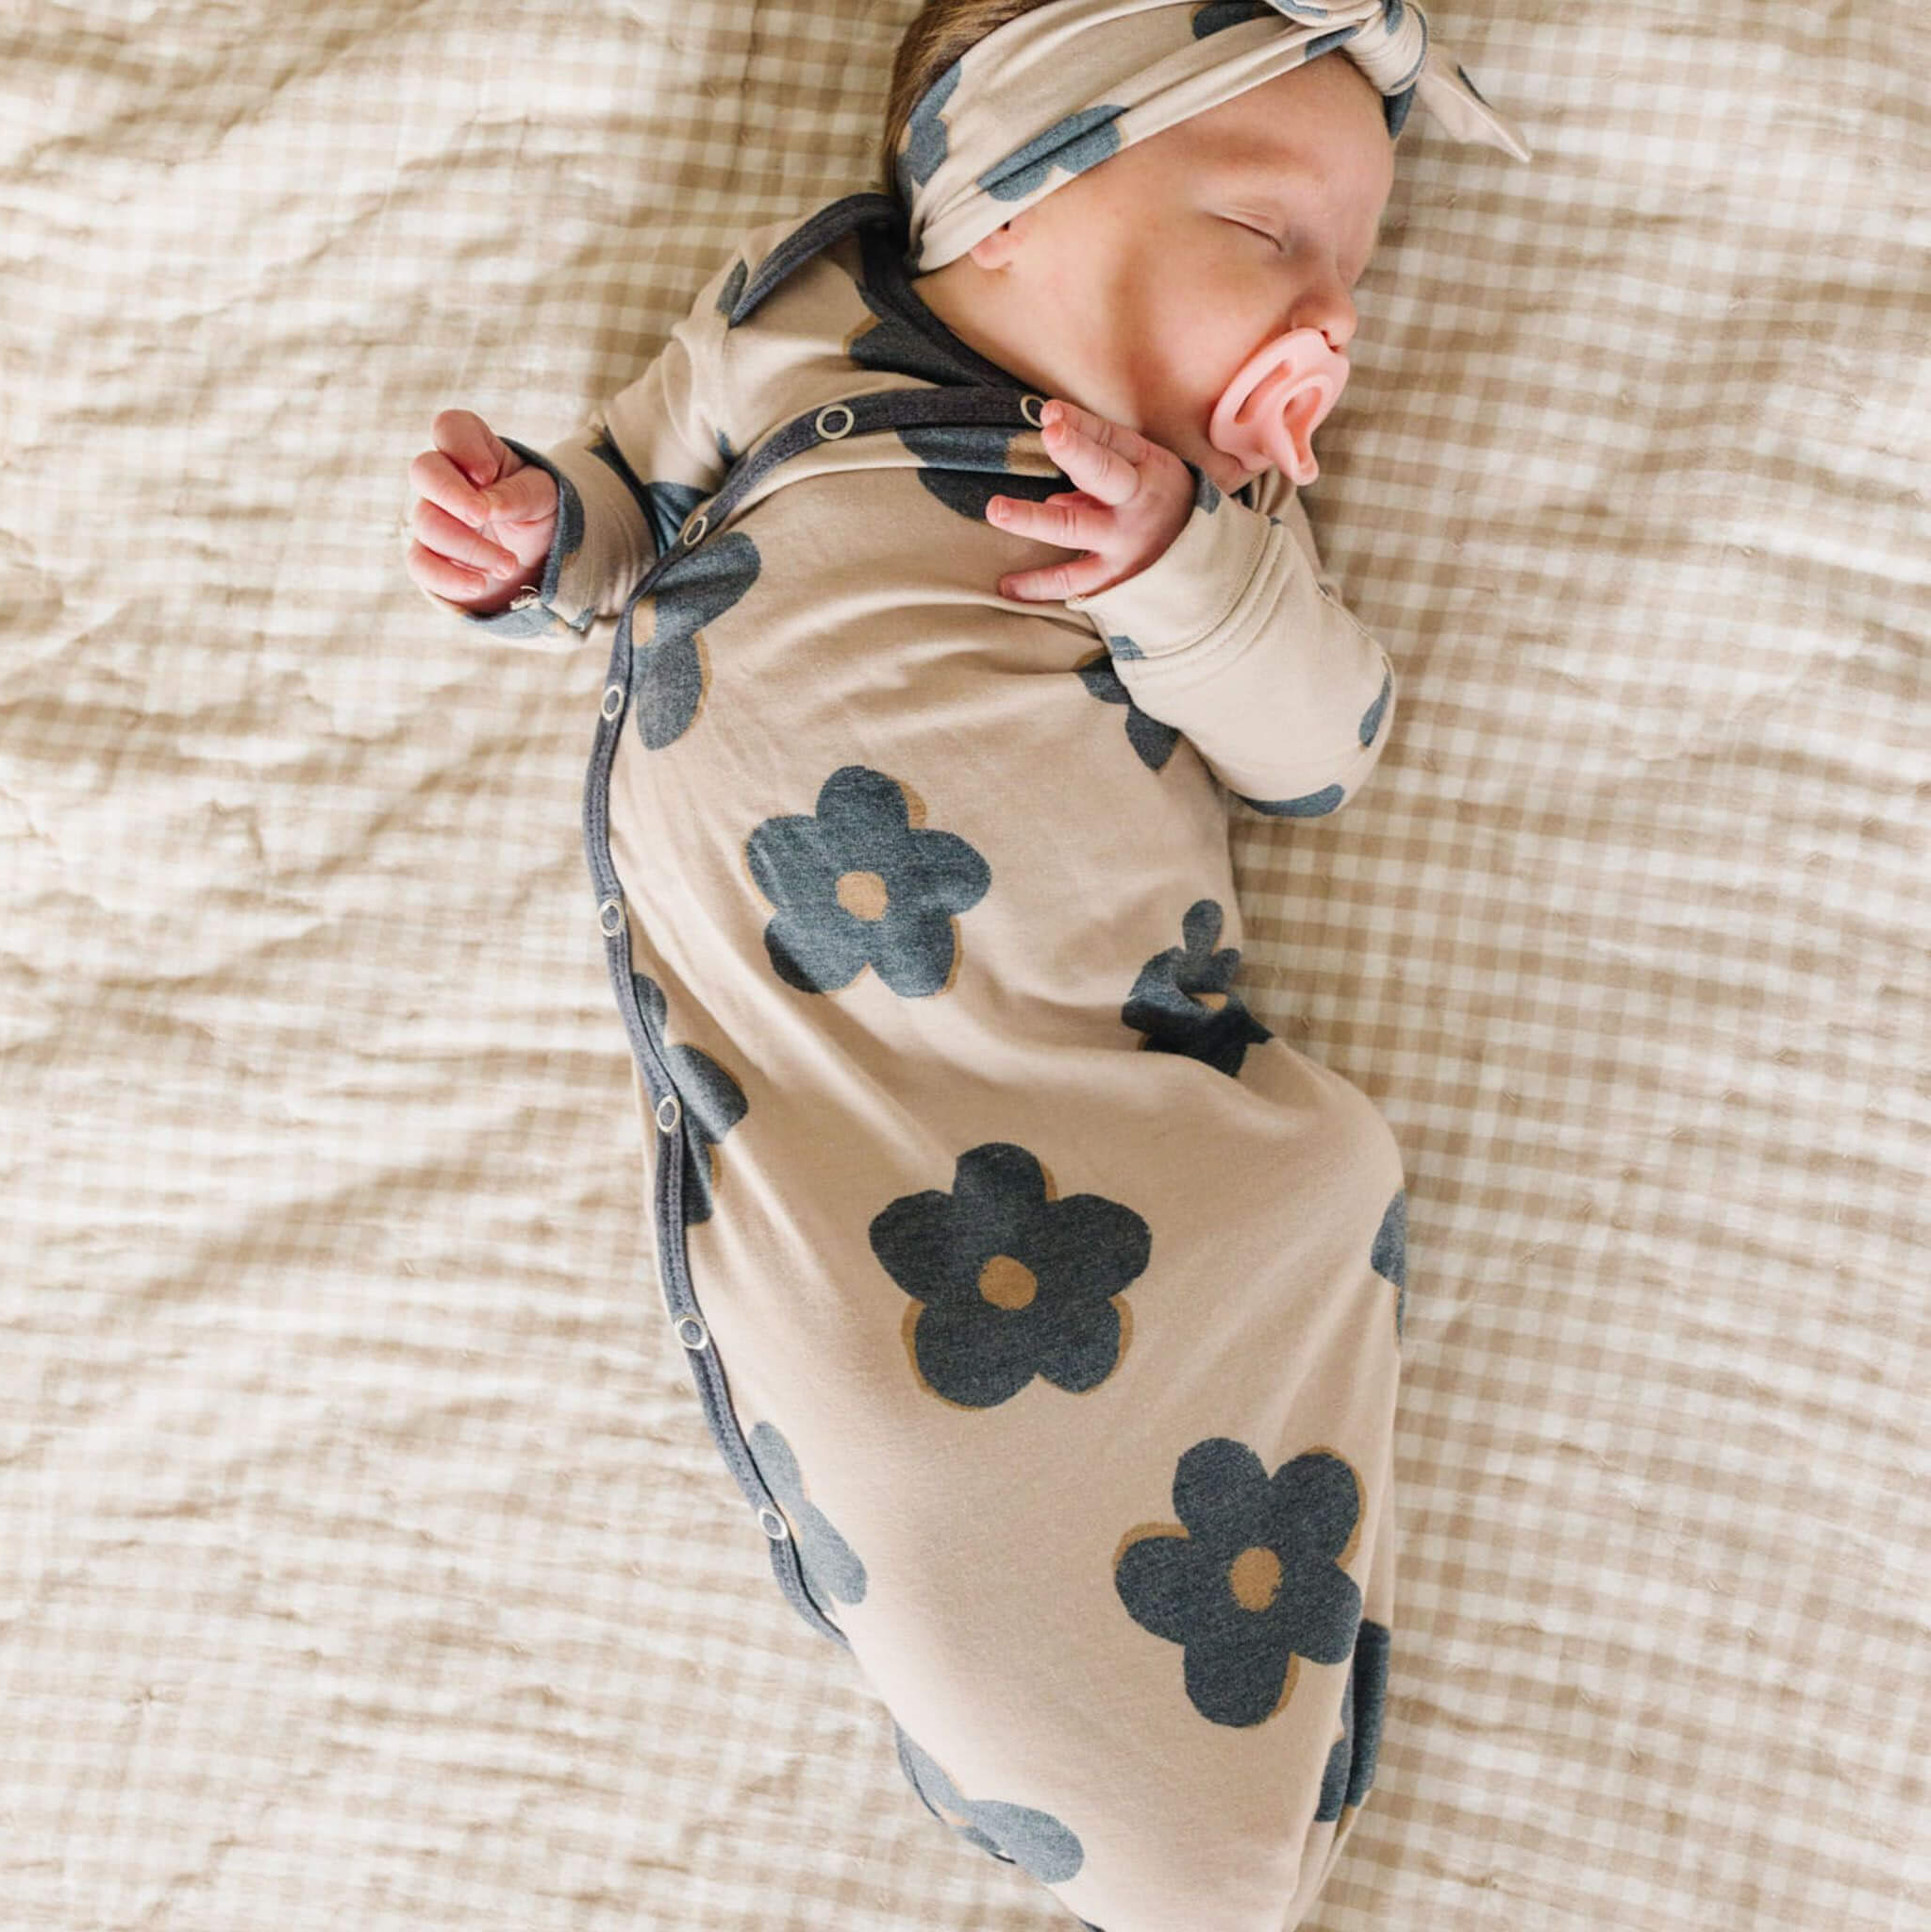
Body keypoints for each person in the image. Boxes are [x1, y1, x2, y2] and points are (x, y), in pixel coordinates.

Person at [401, 6, 1528, 1926]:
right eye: (1273, 239)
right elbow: (624, 514)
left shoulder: (1208, 520)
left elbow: (1320, 745)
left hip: (1114, 1074)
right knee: (896, 1436)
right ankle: (1173, 1825)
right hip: (834, 1093)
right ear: (1005, 197)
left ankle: (1204, 1810)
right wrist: (529, 533)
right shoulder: (786, 329)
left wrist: (1188, 570)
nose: (1329, 315)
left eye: (1352, 267)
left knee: (1301, 1191)